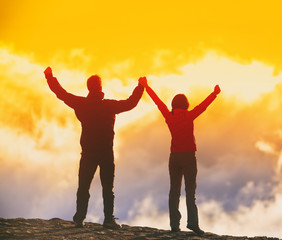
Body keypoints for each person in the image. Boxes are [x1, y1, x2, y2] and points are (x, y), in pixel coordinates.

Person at [44, 67, 144, 229]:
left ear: (89, 87)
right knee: (108, 188)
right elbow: (130, 103)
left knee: (83, 186)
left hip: (88, 152)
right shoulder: (109, 106)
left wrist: (49, 77)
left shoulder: (81, 104)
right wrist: (140, 87)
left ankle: (79, 219)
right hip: (106, 152)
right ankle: (109, 220)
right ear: (100, 88)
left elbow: (61, 93)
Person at [139, 77, 221, 234]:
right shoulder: (189, 116)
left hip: (174, 157)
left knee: (174, 191)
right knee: (190, 192)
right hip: (189, 157)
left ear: (174, 105)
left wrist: (146, 87)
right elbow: (203, 106)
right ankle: (193, 223)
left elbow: (158, 102)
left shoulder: (169, 117)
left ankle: (174, 225)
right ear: (186, 105)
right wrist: (214, 94)